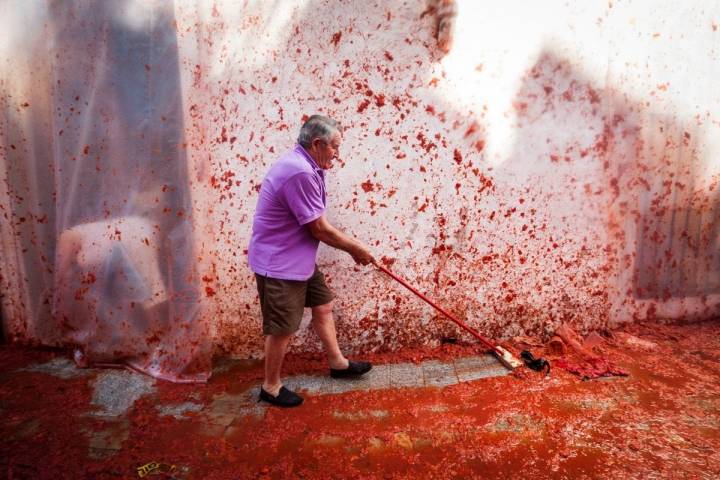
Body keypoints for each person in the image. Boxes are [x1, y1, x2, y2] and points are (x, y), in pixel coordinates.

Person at [248, 114, 376, 407]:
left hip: (297, 257)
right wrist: (356, 249)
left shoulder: (307, 165)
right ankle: (270, 387)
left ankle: (337, 363)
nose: (337, 155)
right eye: (335, 147)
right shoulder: (300, 172)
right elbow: (318, 228)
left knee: (322, 304)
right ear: (317, 143)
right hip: (280, 264)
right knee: (282, 329)